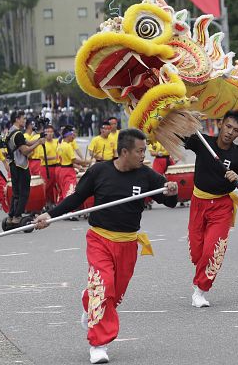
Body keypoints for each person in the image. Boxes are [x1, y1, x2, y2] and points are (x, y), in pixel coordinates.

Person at [34, 129, 179, 364]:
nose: (144, 155)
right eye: (139, 151)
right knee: (104, 287)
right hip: (100, 239)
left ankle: (88, 300)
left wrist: (172, 191)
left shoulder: (146, 175)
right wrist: (49, 216)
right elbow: (76, 198)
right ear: (124, 152)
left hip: (128, 243)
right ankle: (98, 344)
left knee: (113, 294)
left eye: (144, 150)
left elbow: (170, 201)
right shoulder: (99, 171)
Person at [184, 110, 238, 307]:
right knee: (197, 253)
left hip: (221, 207)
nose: (229, 132)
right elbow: (177, 135)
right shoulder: (203, 142)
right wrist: (186, 118)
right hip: (198, 203)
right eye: (228, 126)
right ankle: (201, 274)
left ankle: (200, 290)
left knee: (213, 250)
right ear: (221, 124)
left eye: (235, 130)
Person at [5, 111, 45, 226]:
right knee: (24, 193)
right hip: (21, 166)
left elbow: (27, 142)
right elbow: (25, 150)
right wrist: (38, 144)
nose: (24, 121)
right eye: (23, 118)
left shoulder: (11, 132)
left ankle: (11, 216)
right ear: (17, 119)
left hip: (13, 165)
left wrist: (39, 138)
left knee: (16, 192)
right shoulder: (17, 134)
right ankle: (17, 216)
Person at [56, 127, 90, 203]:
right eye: (72, 135)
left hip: (62, 170)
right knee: (69, 192)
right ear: (68, 135)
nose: (73, 137)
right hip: (68, 172)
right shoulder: (68, 146)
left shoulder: (60, 145)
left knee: (62, 192)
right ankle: (68, 212)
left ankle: (60, 211)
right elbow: (74, 160)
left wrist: (79, 166)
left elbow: (68, 161)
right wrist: (85, 162)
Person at [39, 125, 59, 207]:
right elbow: (42, 156)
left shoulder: (57, 141)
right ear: (44, 133)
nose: (50, 134)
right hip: (46, 167)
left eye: (51, 132)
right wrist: (54, 157)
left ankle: (54, 202)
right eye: (48, 132)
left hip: (56, 167)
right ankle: (46, 203)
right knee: (46, 187)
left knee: (55, 186)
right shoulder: (43, 143)